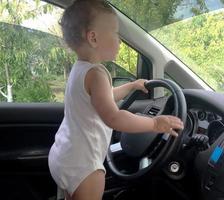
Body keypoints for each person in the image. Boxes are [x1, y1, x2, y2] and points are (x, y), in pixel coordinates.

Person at [48, 0, 184, 200]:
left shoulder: (80, 69)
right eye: (115, 33)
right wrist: (154, 123)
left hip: (63, 155)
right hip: (84, 165)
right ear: (93, 38)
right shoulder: (97, 73)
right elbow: (114, 117)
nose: (119, 40)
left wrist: (130, 86)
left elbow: (103, 99)